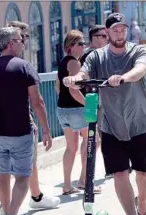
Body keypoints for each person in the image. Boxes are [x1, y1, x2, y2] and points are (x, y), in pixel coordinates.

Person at [63, 13, 146, 215]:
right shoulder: (97, 57)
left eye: (123, 29)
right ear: (107, 31)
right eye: (115, 30)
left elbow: (141, 69)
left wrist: (123, 77)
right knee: (120, 174)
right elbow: (84, 72)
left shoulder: (137, 50)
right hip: (111, 124)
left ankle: (141, 202)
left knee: (143, 172)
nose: (120, 33)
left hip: (139, 122)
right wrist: (75, 79)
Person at [0, 26, 52, 215]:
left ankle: (5, 211)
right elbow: (38, 101)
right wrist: (46, 129)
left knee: (2, 173)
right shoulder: (24, 66)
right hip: (21, 132)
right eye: (20, 39)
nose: (23, 43)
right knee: (23, 177)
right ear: (10, 43)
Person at [56, 30, 102, 195]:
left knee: (71, 147)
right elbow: (75, 91)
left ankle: (67, 185)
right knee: (94, 140)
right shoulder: (75, 63)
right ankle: (85, 181)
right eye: (80, 43)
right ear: (71, 46)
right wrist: (91, 105)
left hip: (62, 110)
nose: (84, 46)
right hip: (77, 109)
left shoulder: (62, 62)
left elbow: (58, 87)